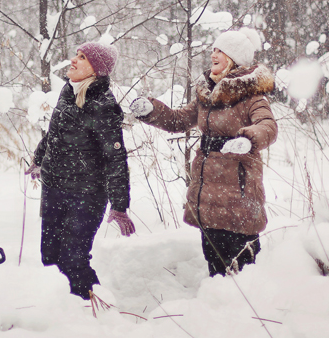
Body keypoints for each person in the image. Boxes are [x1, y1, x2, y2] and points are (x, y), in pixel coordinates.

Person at [130, 28, 277, 277]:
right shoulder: (207, 94)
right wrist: (151, 110)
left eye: (220, 50)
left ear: (234, 58)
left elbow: (268, 126)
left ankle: (249, 308)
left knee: (243, 263)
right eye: (213, 49)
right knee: (214, 258)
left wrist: (248, 139)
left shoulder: (252, 95)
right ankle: (217, 305)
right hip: (209, 190)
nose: (213, 55)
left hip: (238, 188)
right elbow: (178, 120)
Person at [26, 42, 135, 299]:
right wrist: (39, 159)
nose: (74, 60)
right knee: (50, 255)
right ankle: (59, 310)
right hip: (54, 187)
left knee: (73, 257)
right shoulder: (68, 91)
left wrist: (119, 205)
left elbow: (115, 158)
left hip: (86, 194)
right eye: (76, 54)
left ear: (95, 70)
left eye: (82, 57)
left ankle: (92, 303)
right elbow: (55, 133)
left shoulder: (103, 106)